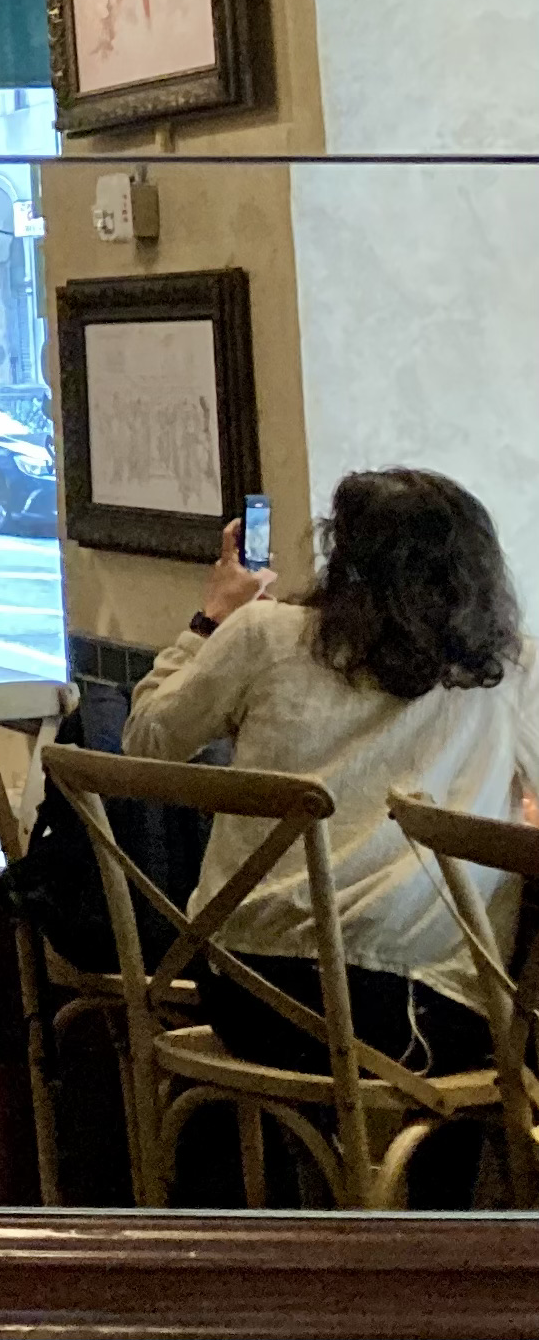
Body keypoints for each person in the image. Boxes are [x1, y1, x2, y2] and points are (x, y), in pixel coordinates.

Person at [126, 470, 539, 1126]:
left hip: (245, 997)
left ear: (343, 557)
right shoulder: (511, 670)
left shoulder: (263, 634)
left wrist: (210, 618)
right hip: (416, 1018)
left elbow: (147, 742)